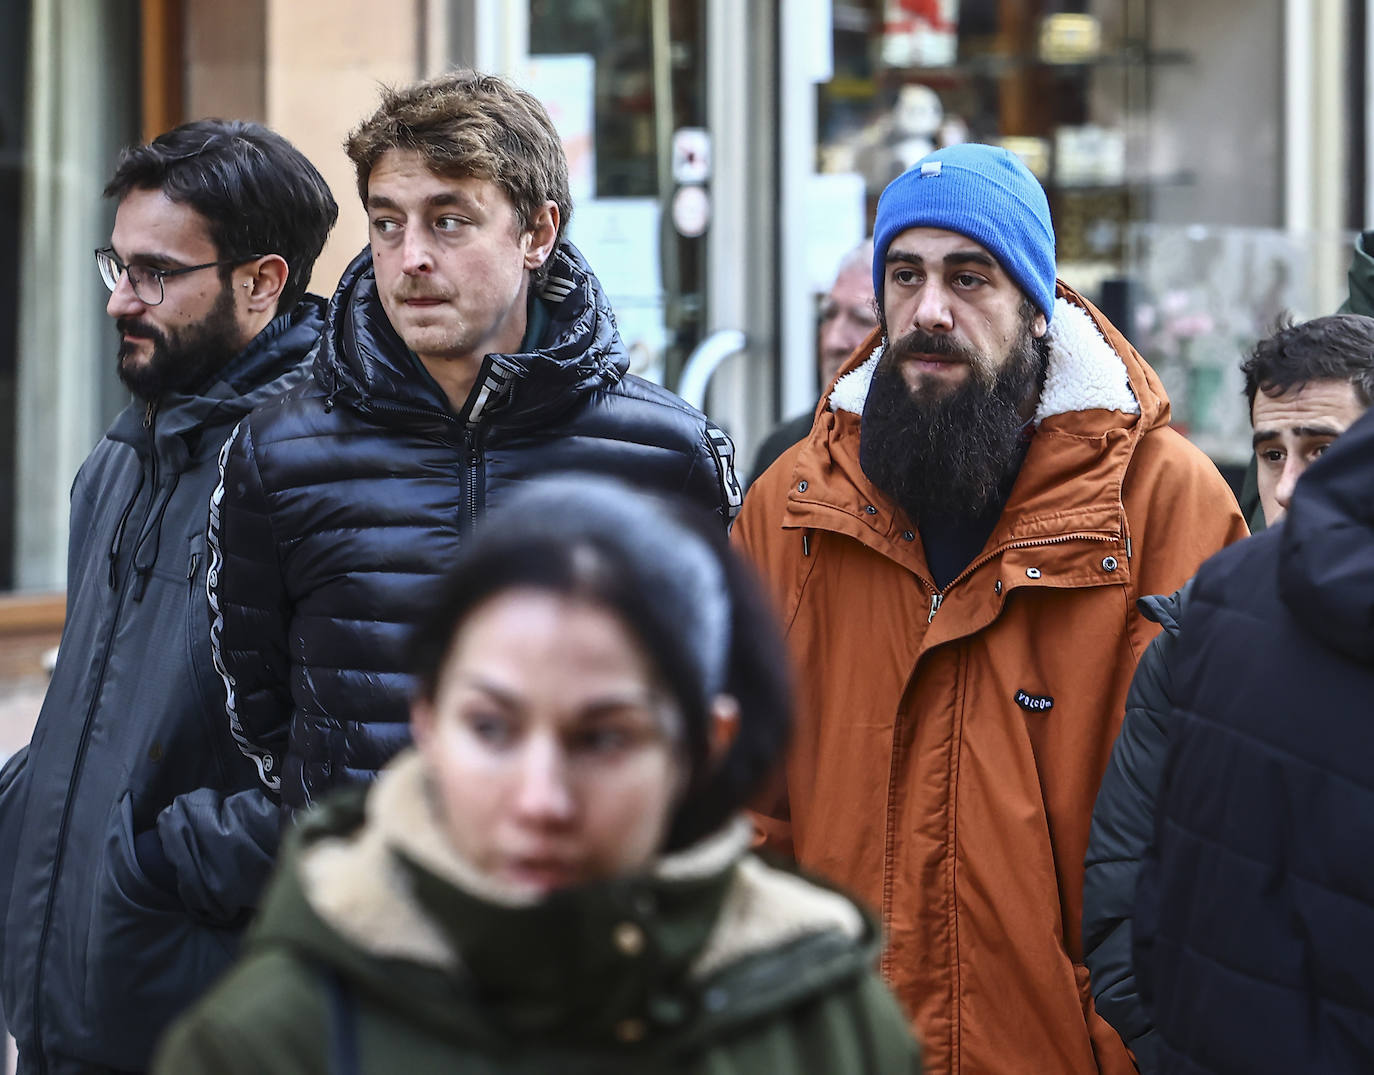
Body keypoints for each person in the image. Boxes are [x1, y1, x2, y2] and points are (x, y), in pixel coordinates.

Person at [733, 143, 1248, 1074]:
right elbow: (744, 816)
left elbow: (1219, 834)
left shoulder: (1167, 505)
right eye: (906, 275)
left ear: (1037, 307)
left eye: (969, 277)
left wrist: (1129, 1038)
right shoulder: (791, 507)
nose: (930, 310)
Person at [153, 477, 921, 1074]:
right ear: (427, 720)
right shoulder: (270, 1040)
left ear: (703, 745)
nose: (540, 798)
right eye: (492, 728)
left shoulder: (828, 1022)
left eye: (603, 738)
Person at [207, 70, 741, 822]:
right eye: (387, 223)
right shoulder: (280, 450)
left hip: (581, 905)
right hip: (367, 904)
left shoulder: (670, 454)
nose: (411, 257)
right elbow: (254, 711)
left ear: (537, 233)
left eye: (449, 221)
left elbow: (716, 694)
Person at [0, 120, 337, 1073]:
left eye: (156, 273)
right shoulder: (116, 459)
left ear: (262, 282)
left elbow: (355, 784)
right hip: (60, 1007)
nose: (120, 301)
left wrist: (147, 867)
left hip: (201, 1020)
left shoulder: (315, 475)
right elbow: (98, 705)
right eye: (117, 265)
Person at [1082, 312, 1374, 1069]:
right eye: (1271, 452)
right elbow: (1121, 908)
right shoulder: (1193, 637)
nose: (1287, 487)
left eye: (1323, 451)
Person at [749, 239, 877, 483]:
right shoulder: (781, 452)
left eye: (861, 320)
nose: (833, 341)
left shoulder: (929, 456)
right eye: (829, 315)